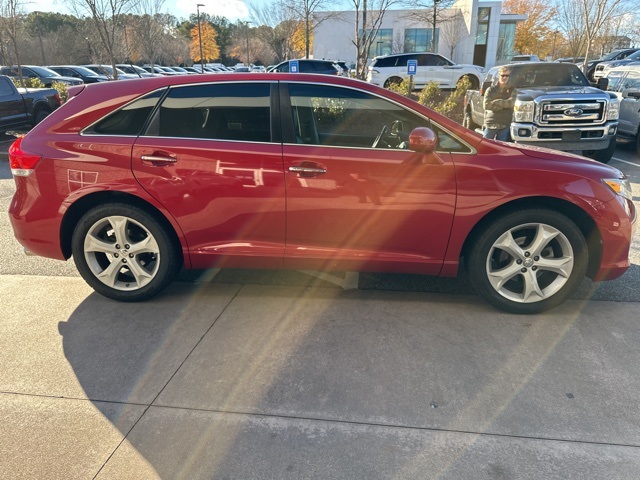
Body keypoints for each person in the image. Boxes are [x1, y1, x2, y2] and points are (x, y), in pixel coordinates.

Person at [483, 67, 516, 141]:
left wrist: (496, 102)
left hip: (505, 123)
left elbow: (511, 103)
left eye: (507, 76)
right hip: (491, 122)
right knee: (484, 146)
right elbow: (486, 105)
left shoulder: (512, 90)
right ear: (498, 75)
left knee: (501, 149)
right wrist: (503, 106)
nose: (505, 77)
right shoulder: (490, 90)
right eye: (503, 75)